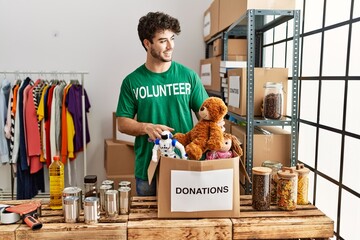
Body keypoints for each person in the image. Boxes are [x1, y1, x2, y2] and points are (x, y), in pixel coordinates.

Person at [116, 11, 209, 196]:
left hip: (185, 164)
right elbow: (122, 123)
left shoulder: (188, 76)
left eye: (172, 38)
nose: (170, 46)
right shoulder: (132, 81)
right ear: (147, 43)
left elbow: (207, 114)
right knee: (148, 224)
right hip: (147, 171)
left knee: (185, 223)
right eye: (162, 40)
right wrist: (146, 127)